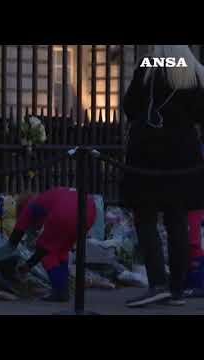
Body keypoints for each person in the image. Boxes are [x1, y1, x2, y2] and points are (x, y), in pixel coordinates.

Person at [120, 45, 204, 307]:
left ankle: (157, 282)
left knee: (145, 219)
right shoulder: (196, 71)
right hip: (183, 157)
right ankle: (177, 288)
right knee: (177, 220)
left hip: (149, 155)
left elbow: (130, 107)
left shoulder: (149, 67)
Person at [7, 187, 96, 302]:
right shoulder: (50, 197)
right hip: (89, 211)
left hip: (65, 212)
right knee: (61, 250)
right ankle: (63, 290)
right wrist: (29, 265)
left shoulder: (31, 205)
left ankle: (59, 292)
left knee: (48, 256)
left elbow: (17, 234)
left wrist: (10, 251)